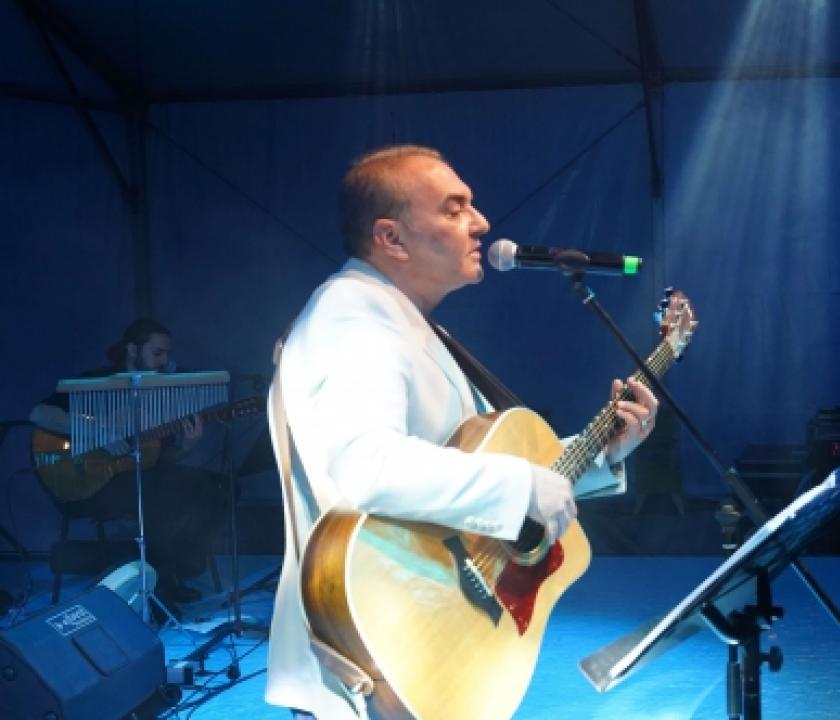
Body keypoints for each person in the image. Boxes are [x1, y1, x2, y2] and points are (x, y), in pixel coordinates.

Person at [265, 145, 659, 720]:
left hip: (417, 644)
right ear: (391, 238)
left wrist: (598, 453)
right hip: (377, 653)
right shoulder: (353, 316)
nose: (481, 223)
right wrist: (520, 487)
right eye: (454, 209)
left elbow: (462, 467)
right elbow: (367, 464)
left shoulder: (405, 321)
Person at [29, 317, 230, 607]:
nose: (165, 360)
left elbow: (161, 461)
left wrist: (187, 445)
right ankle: (162, 583)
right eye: (157, 352)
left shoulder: (160, 395)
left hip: (141, 477)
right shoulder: (98, 382)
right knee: (163, 491)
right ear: (133, 350)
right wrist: (98, 431)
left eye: (167, 353)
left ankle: (182, 563)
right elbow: (39, 413)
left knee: (222, 488)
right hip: (90, 482)